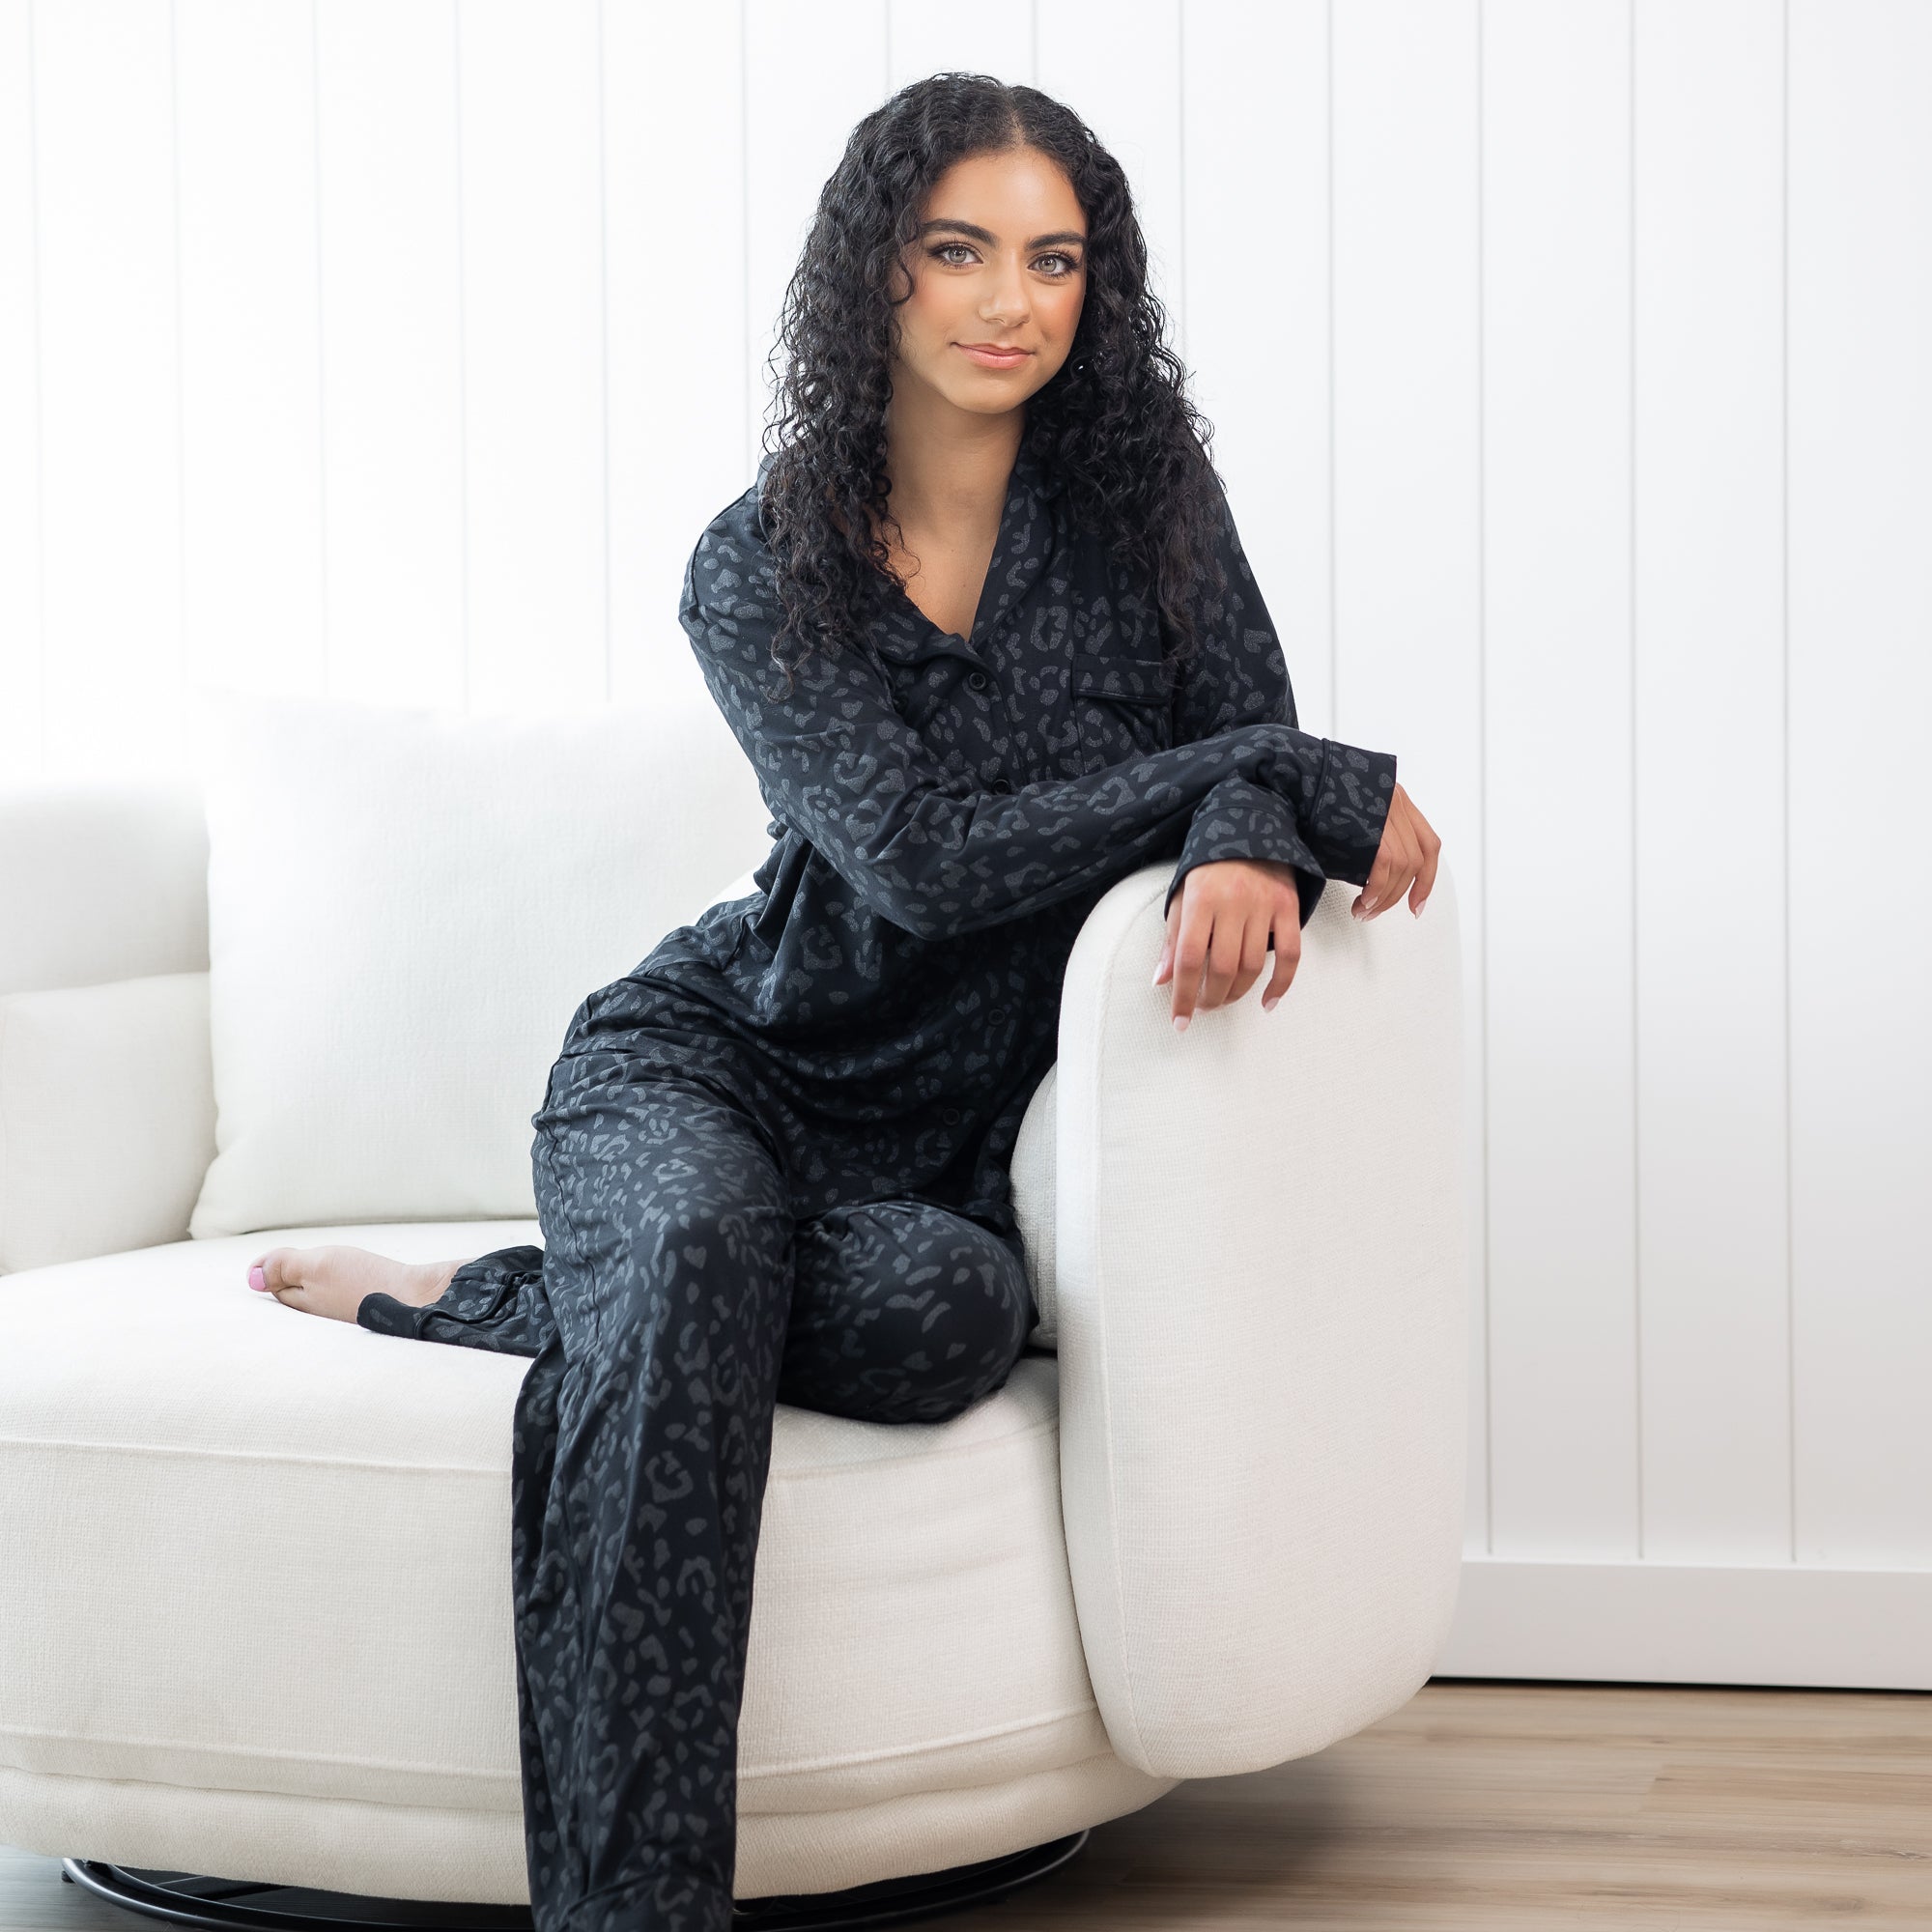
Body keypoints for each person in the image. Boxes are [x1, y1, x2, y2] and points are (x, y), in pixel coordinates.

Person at [242, 72, 1439, 1932]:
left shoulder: (1150, 516)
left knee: (957, 1316)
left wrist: (1254, 805)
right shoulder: (758, 561)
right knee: (697, 1242)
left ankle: (487, 1294)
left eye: (1055, 260)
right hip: (714, 1071)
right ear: (877, 268)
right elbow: (923, 862)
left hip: (928, 1163)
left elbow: (1245, 749)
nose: (1009, 301)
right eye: (960, 250)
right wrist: (1271, 770)